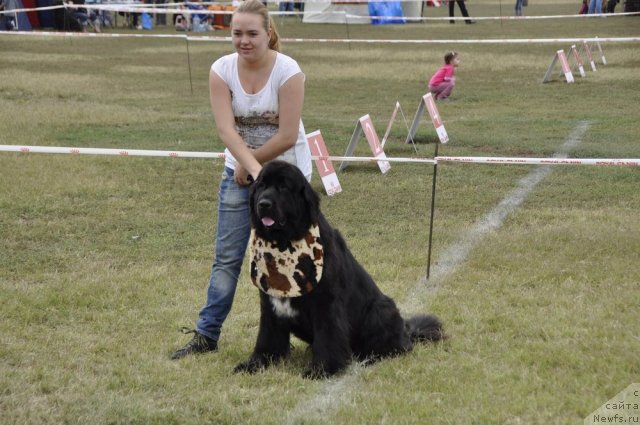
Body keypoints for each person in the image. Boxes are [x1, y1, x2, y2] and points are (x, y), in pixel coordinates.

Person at [171, 0, 312, 360]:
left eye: (252, 33)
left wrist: (255, 168)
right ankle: (206, 334)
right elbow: (225, 129)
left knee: (298, 258)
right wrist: (249, 167)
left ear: (268, 34)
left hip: (287, 178)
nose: (243, 41)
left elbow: (286, 134)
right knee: (227, 257)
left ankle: (315, 332)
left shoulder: (289, 71)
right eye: (236, 33)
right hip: (240, 173)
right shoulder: (221, 70)